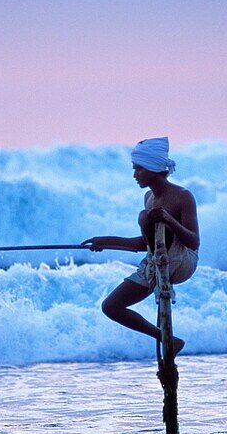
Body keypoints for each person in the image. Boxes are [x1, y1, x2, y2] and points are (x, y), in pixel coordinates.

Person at [84, 137, 200, 353]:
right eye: (134, 168)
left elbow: (194, 242)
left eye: (139, 169)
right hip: (155, 260)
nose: (135, 175)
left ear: (154, 168)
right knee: (111, 307)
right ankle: (169, 339)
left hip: (183, 260)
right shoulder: (148, 197)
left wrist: (169, 220)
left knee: (144, 217)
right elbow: (143, 244)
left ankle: (156, 267)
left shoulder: (183, 196)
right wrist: (105, 241)